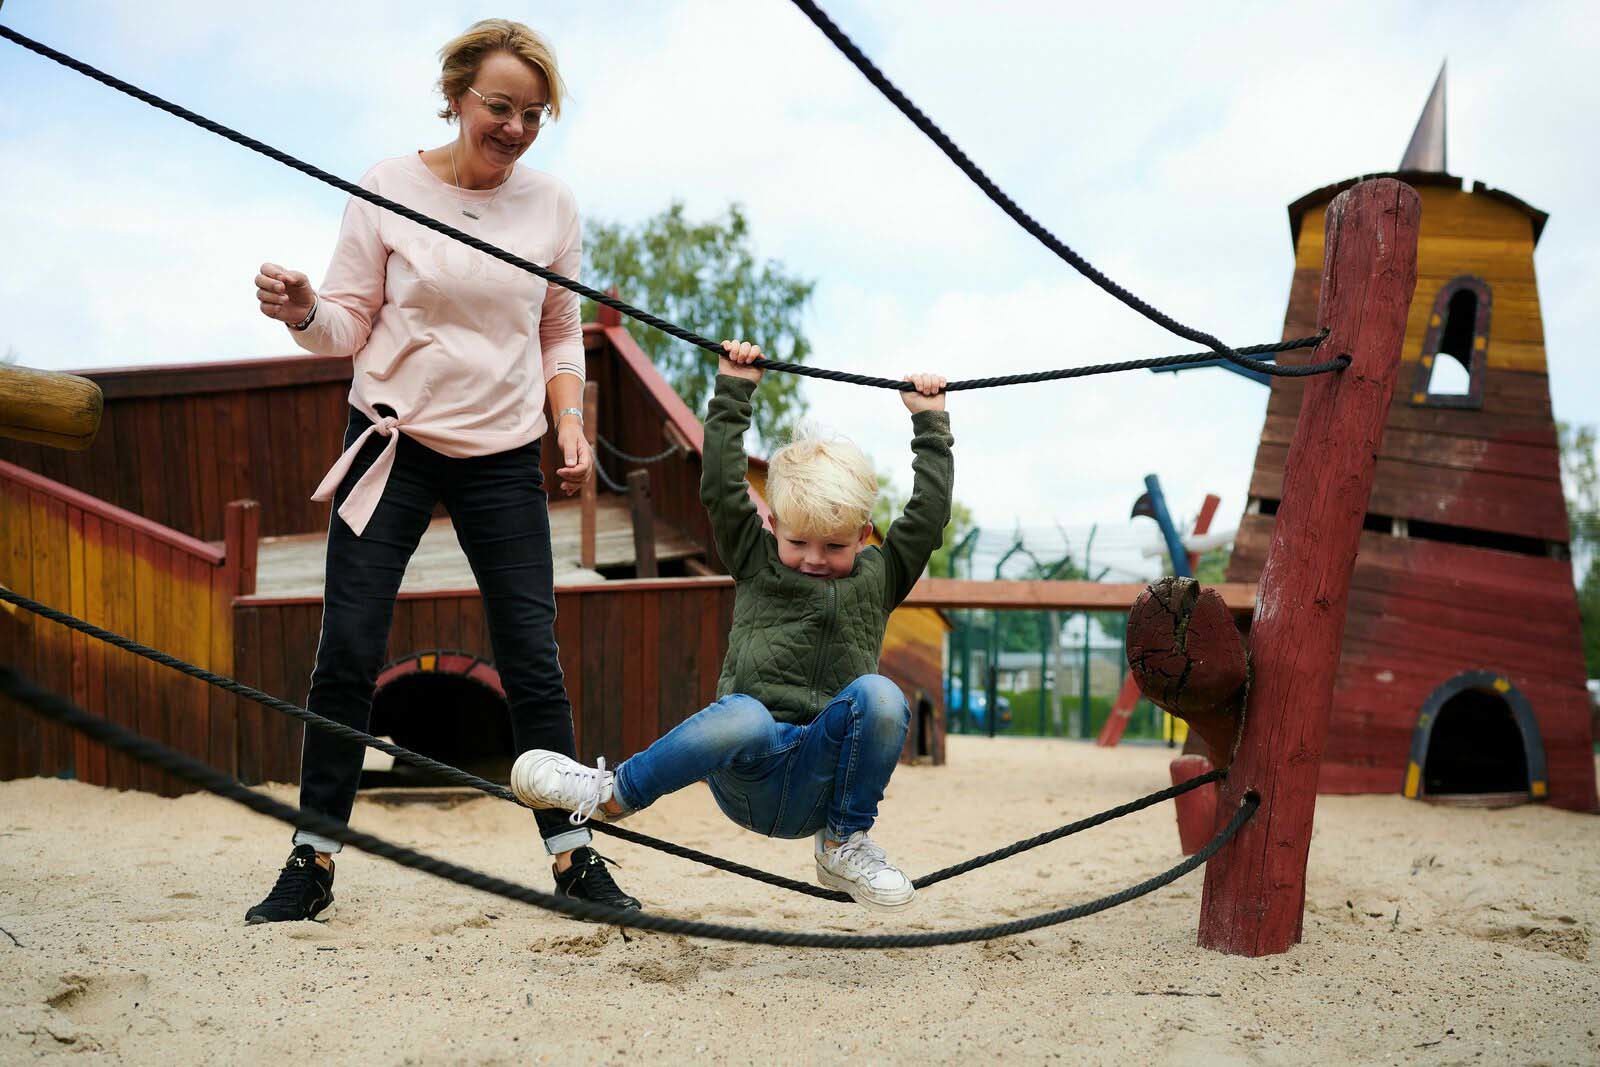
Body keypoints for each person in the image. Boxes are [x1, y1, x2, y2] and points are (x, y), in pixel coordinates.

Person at [244, 18, 639, 923]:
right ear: (457, 95)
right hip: (393, 440)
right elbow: (345, 324)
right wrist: (303, 310)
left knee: (531, 654)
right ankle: (313, 855)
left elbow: (558, 332)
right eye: (501, 107)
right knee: (348, 645)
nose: (516, 128)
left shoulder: (553, 205)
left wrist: (569, 423)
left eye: (534, 115)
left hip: (502, 452)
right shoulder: (388, 186)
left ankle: (574, 858)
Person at [510, 340, 954, 910]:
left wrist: (930, 425)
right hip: (750, 770)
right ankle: (614, 792)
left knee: (882, 695)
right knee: (746, 713)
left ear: (865, 535)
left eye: (835, 546)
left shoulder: (882, 576)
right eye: (799, 542)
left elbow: (927, 517)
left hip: (822, 780)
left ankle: (844, 843)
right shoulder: (755, 558)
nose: (814, 559)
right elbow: (721, 487)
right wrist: (734, 389)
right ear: (773, 525)